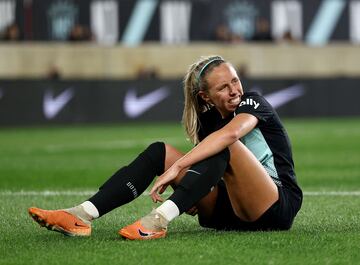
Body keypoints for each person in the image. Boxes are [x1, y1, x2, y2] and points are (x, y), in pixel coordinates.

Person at [28, 55, 302, 239]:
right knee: (161, 152)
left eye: (235, 81)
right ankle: (82, 214)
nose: (234, 91)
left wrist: (181, 168)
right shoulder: (207, 121)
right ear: (205, 96)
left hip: (275, 206)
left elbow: (233, 134)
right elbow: (211, 172)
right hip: (229, 210)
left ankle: (158, 220)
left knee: (224, 144)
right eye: (223, 88)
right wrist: (191, 190)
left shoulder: (252, 102)